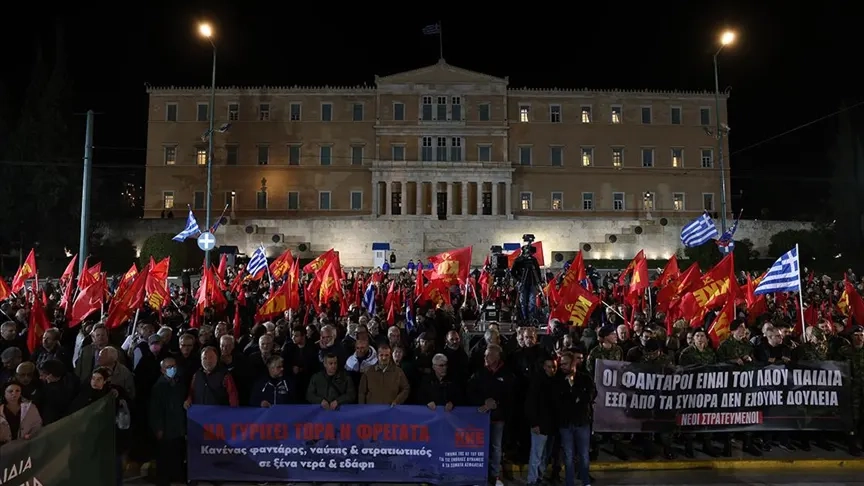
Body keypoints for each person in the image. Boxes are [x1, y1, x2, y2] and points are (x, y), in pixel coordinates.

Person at [0, 379, 43, 444]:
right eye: (10, 391)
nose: (14, 394)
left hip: (25, 444)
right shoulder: (1, 410)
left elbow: (37, 425)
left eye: (17, 391)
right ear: (4, 393)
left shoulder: (30, 408)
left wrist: (31, 435)